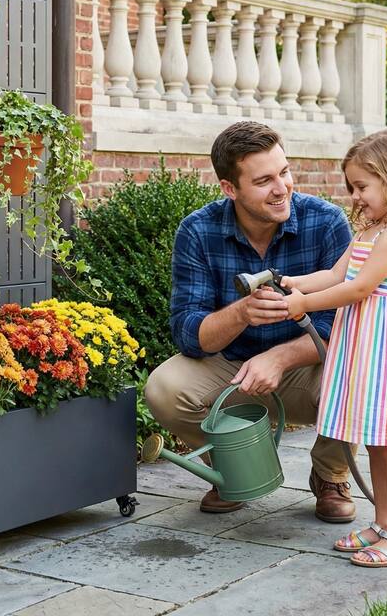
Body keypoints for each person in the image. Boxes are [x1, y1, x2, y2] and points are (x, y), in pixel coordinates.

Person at [145, 120, 356, 521]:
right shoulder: (198, 230)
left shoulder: (325, 222)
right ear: (230, 189)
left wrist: (278, 359)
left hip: (306, 370)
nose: (282, 188)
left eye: (284, 172)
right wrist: (241, 313)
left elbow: (342, 326)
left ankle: (331, 475)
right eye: (264, 181)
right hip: (231, 369)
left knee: (360, 371)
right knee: (164, 390)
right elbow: (188, 332)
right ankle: (239, 464)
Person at [283, 128, 387, 568]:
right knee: (375, 442)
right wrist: (295, 284)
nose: (354, 196)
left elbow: (359, 289)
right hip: (366, 350)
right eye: (351, 187)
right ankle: (384, 524)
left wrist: (304, 306)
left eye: (362, 186)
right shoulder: (372, 230)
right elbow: (336, 276)